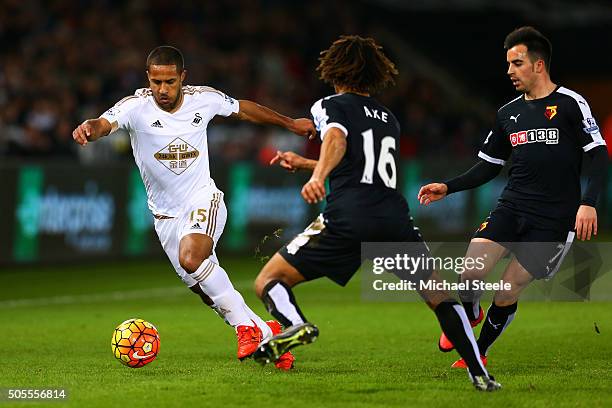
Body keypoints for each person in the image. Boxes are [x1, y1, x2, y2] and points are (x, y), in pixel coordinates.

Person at [251, 35, 501, 391]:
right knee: (440, 296)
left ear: (335, 68)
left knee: (269, 280)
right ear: (374, 73)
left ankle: (294, 325)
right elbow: (359, 163)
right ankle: (480, 373)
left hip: (349, 214)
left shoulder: (329, 105)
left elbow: (336, 142)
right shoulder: (388, 118)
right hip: (393, 218)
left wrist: (318, 175)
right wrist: (308, 163)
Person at [72, 46, 316, 370]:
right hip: (165, 218)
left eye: (170, 81)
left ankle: (246, 329)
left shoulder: (204, 98)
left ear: (182, 78)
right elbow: (104, 122)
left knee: (192, 258)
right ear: (148, 78)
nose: (162, 89)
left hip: (203, 199)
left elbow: (243, 110)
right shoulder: (135, 107)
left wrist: (289, 123)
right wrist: (89, 128)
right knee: (207, 293)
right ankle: (265, 330)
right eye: (157, 81)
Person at [417, 26, 608, 368]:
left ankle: (480, 351)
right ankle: (471, 313)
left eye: (517, 63)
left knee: (506, 291)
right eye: (508, 64)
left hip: (554, 219)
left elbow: (598, 155)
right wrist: (449, 186)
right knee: (470, 273)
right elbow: (487, 166)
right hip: (512, 205)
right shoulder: (508, 113)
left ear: (538, 65)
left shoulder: (570, 104)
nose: (509, 71)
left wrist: (589, 202)